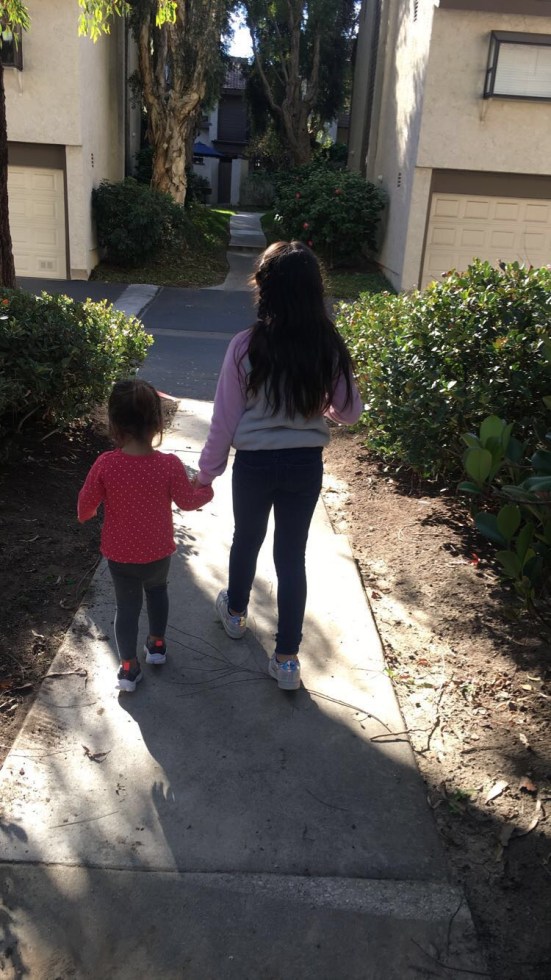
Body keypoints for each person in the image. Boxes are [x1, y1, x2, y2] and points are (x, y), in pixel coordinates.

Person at [196, 240, 363, 691]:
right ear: (315, 290)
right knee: (291, 556)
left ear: (264, 287)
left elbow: (225, 419)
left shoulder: (245, 345)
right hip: (304, 465)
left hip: (254, 465)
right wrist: (319, 406)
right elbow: (349, 412)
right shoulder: (328, 346)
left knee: (246, 539)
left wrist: (207, 474)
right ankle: (287, 660)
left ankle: (235, 613)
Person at [78, 379, 213, 692]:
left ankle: (128, 668)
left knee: (126, 609)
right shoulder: (168, 465)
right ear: (157, 423)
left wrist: (87, 514)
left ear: (114, 423)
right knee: (157, 592)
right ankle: (156, 645)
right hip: (157, 553)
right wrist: (205, 489)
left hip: (120, 555)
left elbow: (85, 506)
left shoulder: (106, 464)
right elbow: (188, 501)